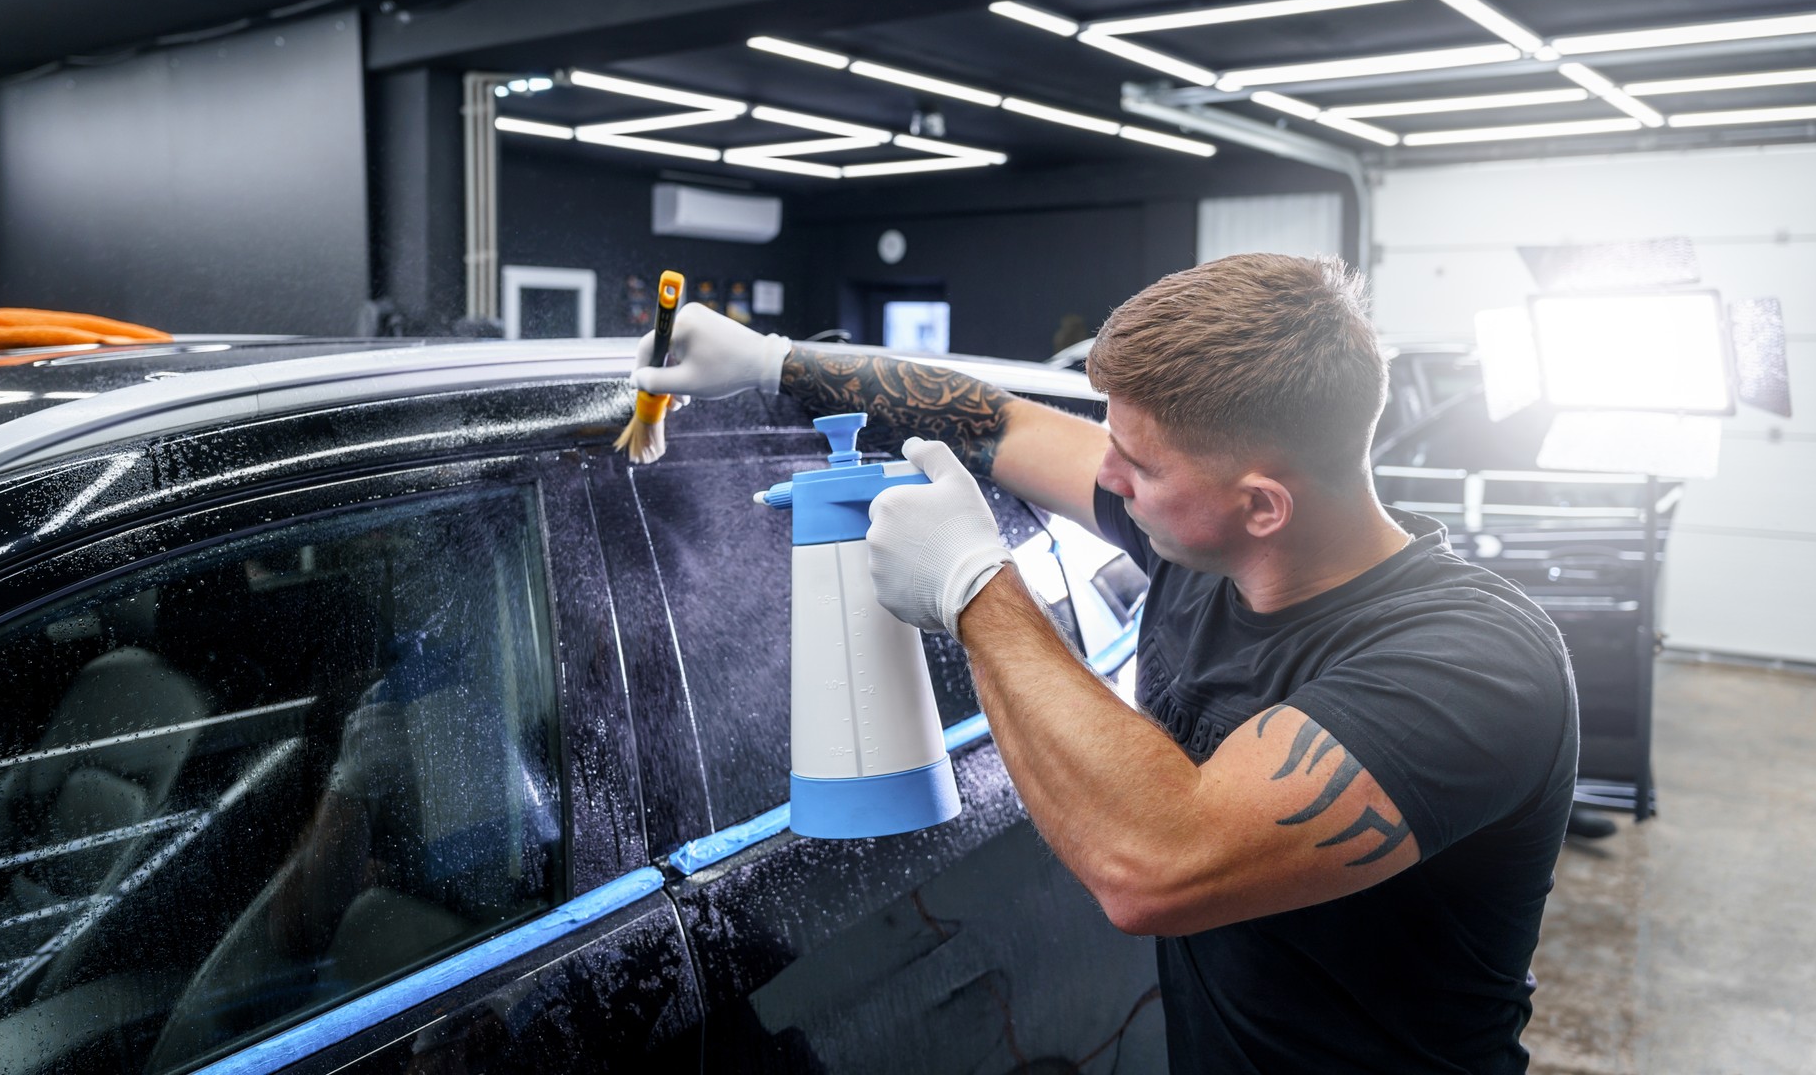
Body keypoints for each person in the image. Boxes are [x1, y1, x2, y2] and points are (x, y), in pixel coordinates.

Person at [635, 253, 1578, 1075]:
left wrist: (974, 586)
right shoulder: (1206, 534)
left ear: (1263, 506)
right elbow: (997, 421)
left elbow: (1155, 865)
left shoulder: (1474, 666)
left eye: (1139, 464)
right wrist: (773, 359)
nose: (1106, 476)